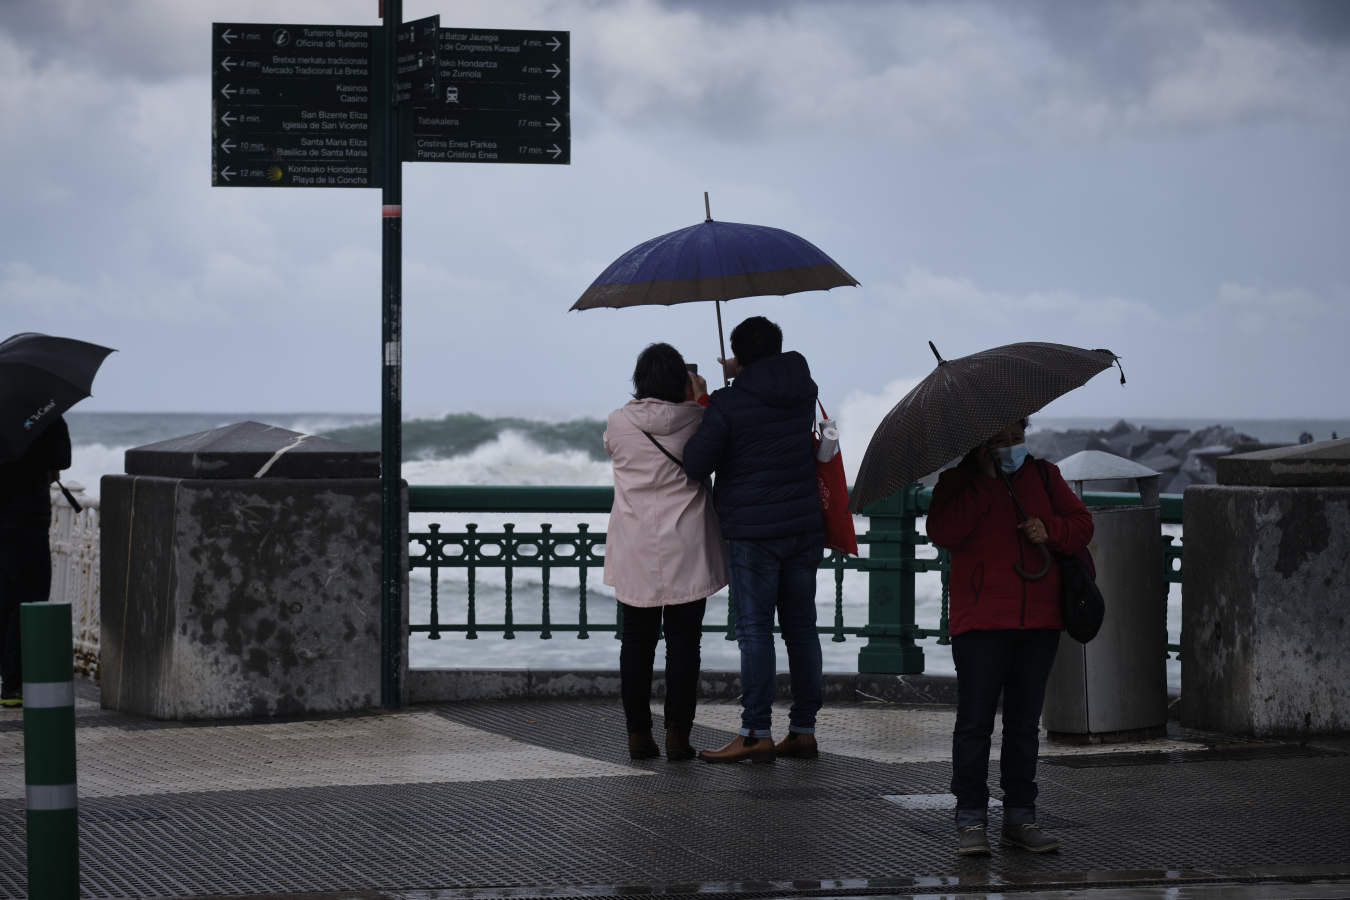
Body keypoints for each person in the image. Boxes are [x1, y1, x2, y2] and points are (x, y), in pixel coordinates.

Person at [926, 417, 1094, 856]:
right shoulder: (955, 482)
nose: (1010, 446)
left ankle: (1020, 817)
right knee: (975, 724)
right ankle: (970, 819)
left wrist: (1049, 530)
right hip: (979, 623)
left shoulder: (1044, 475)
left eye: (1016, 437)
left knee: (1023, 726)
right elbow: (942, 532)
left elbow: (1081, 525)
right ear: (980, 443)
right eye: (999, 440)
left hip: (1038, 622)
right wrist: (982, 484)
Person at [683, 316, 824, 763]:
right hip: (803, 526)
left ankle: (754, 733)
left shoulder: (729, 401)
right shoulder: (804, 388)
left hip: (754, 533)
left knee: (755, 631)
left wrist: (710, 398)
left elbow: (695, 463)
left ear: (738, 355)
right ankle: (802, 730)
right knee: (801, 629)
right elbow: (768, 395)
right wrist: (742, 376)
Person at [604, 343, 728, 760]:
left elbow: (614, 448)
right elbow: (715, 446)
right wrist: (702, 396)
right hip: (688, 543)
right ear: (682, 380)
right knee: (684, 644)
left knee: (636, 642)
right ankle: (678, 735)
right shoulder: (698, 418)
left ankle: (638, 734)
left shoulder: (619, 421)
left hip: (637, 542)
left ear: (639, 381)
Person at [1, 415, 72, 708]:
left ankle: (10, 677)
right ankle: (16, 681)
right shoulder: (46, 413)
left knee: (5, 599)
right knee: (31, 600)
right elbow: (62, 459)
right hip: (29, 521)